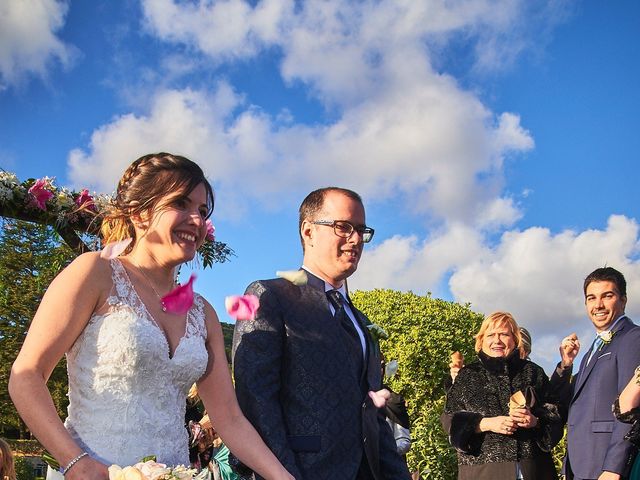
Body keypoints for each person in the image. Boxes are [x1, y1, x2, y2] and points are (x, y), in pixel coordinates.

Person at [9, 153, 293, 480]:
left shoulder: (204, 313)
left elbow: (229, 417)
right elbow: (26, 375)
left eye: (202, 211)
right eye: (181, 205)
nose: (197, 220)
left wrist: (281, 476)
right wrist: (75, 462)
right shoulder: (94, 273)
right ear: (140, 213)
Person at [232, 187, 411, 479]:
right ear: (308, 231)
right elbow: (256, 400)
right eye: (343, 227)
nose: (355, 239)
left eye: (361, 230)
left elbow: (373, 413)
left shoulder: (361, 322)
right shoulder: (268, 296)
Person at [444, 311, 563, 480]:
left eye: (504, 334)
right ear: (481, 340)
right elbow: (450, 421)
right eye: (491, 335)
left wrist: (535, 421)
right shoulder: (467, 375)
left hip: (534, 469)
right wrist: (485, 423)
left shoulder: (533, 372)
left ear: (515, 339)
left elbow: (556, 414)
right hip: (482, 471)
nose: (497, 340)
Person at [563, 267, 640, 480]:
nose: (598, 305)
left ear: (623, 300)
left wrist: (614, 467)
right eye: (591, 298)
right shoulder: (590, 351)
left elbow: (630, 408)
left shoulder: (633, 338)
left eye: (607, 296)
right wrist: (566, 364)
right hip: (583, 465)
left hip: (607, 466)